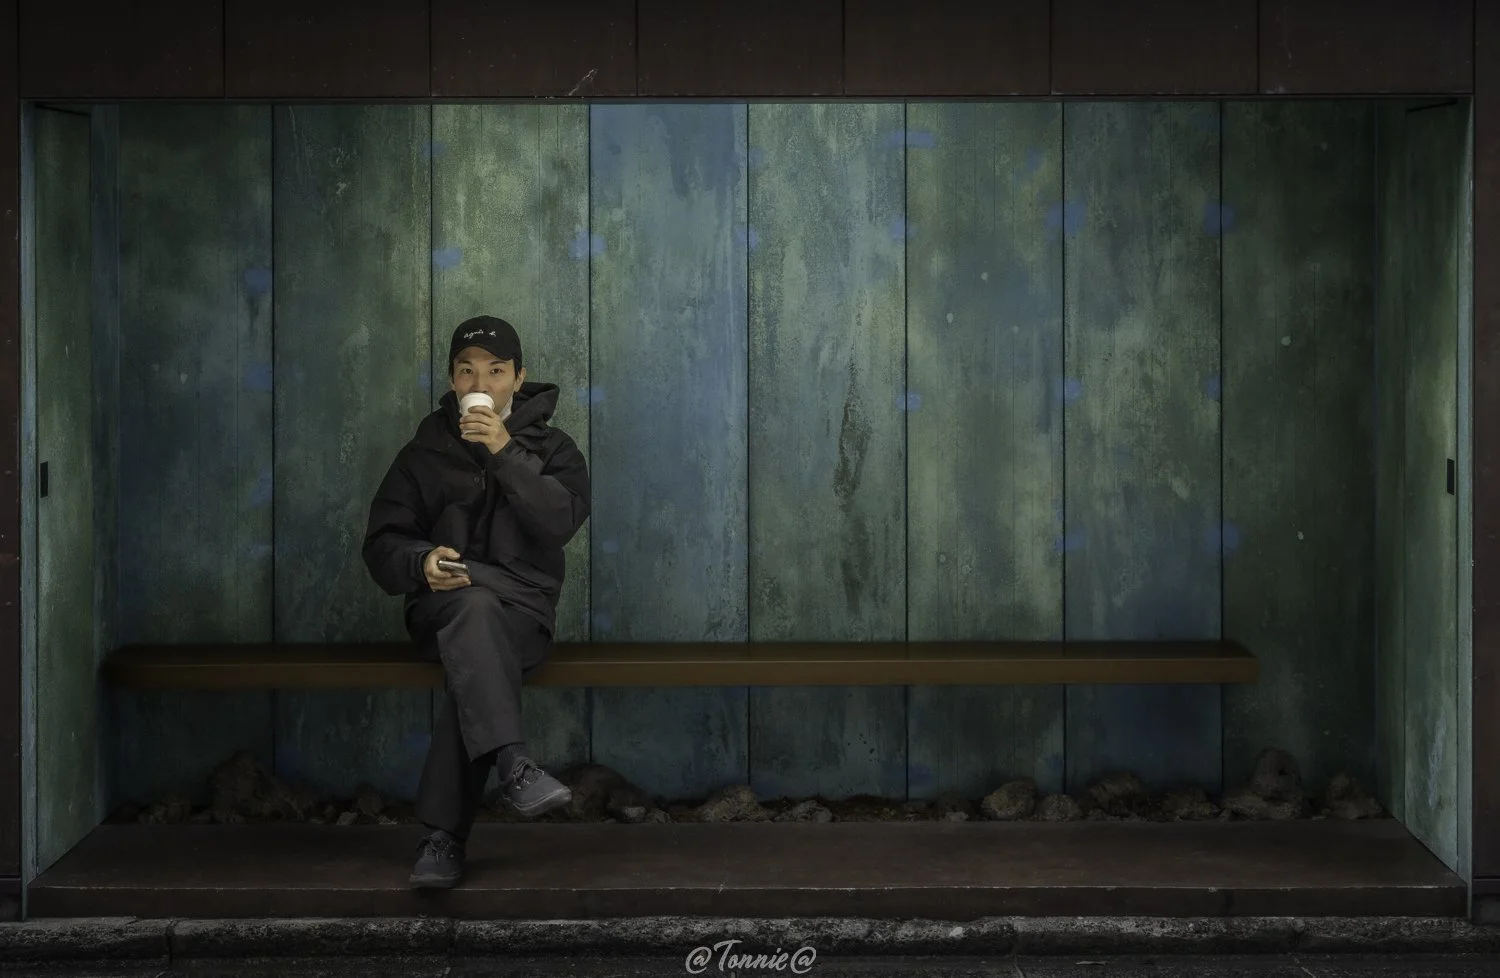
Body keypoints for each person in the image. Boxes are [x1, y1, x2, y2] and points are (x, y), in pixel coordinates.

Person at [361, 314, 590, 889]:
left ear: (519, 378)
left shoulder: (555, 451)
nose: (480, 383)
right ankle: (514, 764)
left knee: (478, 647)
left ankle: (443, 837)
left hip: (523, 617)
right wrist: (421, 562)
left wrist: (505, 451)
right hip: (442, 611)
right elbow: (382, 543)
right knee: (472, 611)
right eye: (467, 371)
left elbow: (560, 523)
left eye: (495, 370)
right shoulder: (423, 453)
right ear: (452, 380)